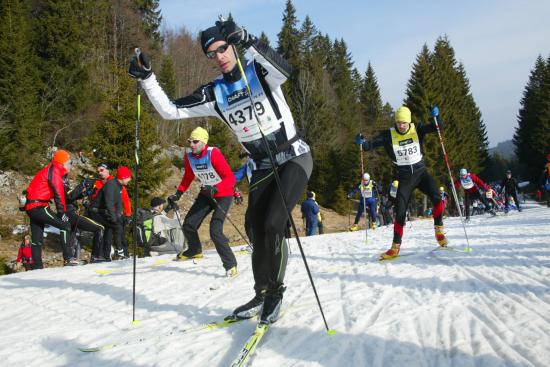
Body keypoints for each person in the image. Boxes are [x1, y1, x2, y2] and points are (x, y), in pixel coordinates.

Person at [129, 19, 312, 324]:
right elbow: (171, 110)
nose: (220, 56)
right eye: (212, 53)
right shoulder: (214, 93)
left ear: (231, 46)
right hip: (263, 166)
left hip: (293, 156)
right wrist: (148, 79)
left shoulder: (258, 70)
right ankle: (261, 291)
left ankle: (276, 293)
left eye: (224, 48)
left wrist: (248, 38)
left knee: (273, 225)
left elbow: (286, 71)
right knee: (254, 228)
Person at [355, 106, 448, 259]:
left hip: (421, 172)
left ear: (409, 121)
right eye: (398, 122)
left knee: (437, 198)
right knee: (400, 211)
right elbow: (369, 145)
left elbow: (436, 127)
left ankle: (439, 229)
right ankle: (395, 247)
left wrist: (436, 117)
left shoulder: (417, 128)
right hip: (405, 177)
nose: (401, 125)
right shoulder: (389, 135)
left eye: (404, 122)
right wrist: (361, 141)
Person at [167, 127, 238, 276]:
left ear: (204, 142)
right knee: (189, 225)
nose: (191, 144)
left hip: (223, 194)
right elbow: (188, 176)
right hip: (206, 194)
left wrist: (216, 188)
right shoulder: (189, 156)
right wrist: (178, 193)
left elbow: (230, 178)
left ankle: (230, 265)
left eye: (195, 141)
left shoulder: (213, 154)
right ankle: (194, 250)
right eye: (190, 141)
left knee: (215, 230)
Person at [24, 149, 76, 268]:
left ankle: (37, 268)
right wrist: (62, 212)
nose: (71, 166)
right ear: (63, 163)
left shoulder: (49, 169)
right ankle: (68, 259)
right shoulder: (55, 171)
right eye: (69, 163)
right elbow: (58, 193)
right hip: (39, 206)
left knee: (36, 239)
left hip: (31, 207)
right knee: (65, 225)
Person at [95, 166, 132, 260]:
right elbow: (109, 204)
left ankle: (107, 255)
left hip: (105, 211)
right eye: (128, 177)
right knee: (115, 226)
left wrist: (119, 215)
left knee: (113, 227)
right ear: (123, 178)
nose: (130, 179)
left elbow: (119, 202)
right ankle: (119, 252)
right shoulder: (111, 185)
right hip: (97, 211)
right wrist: (114, 219)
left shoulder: (118, 185)